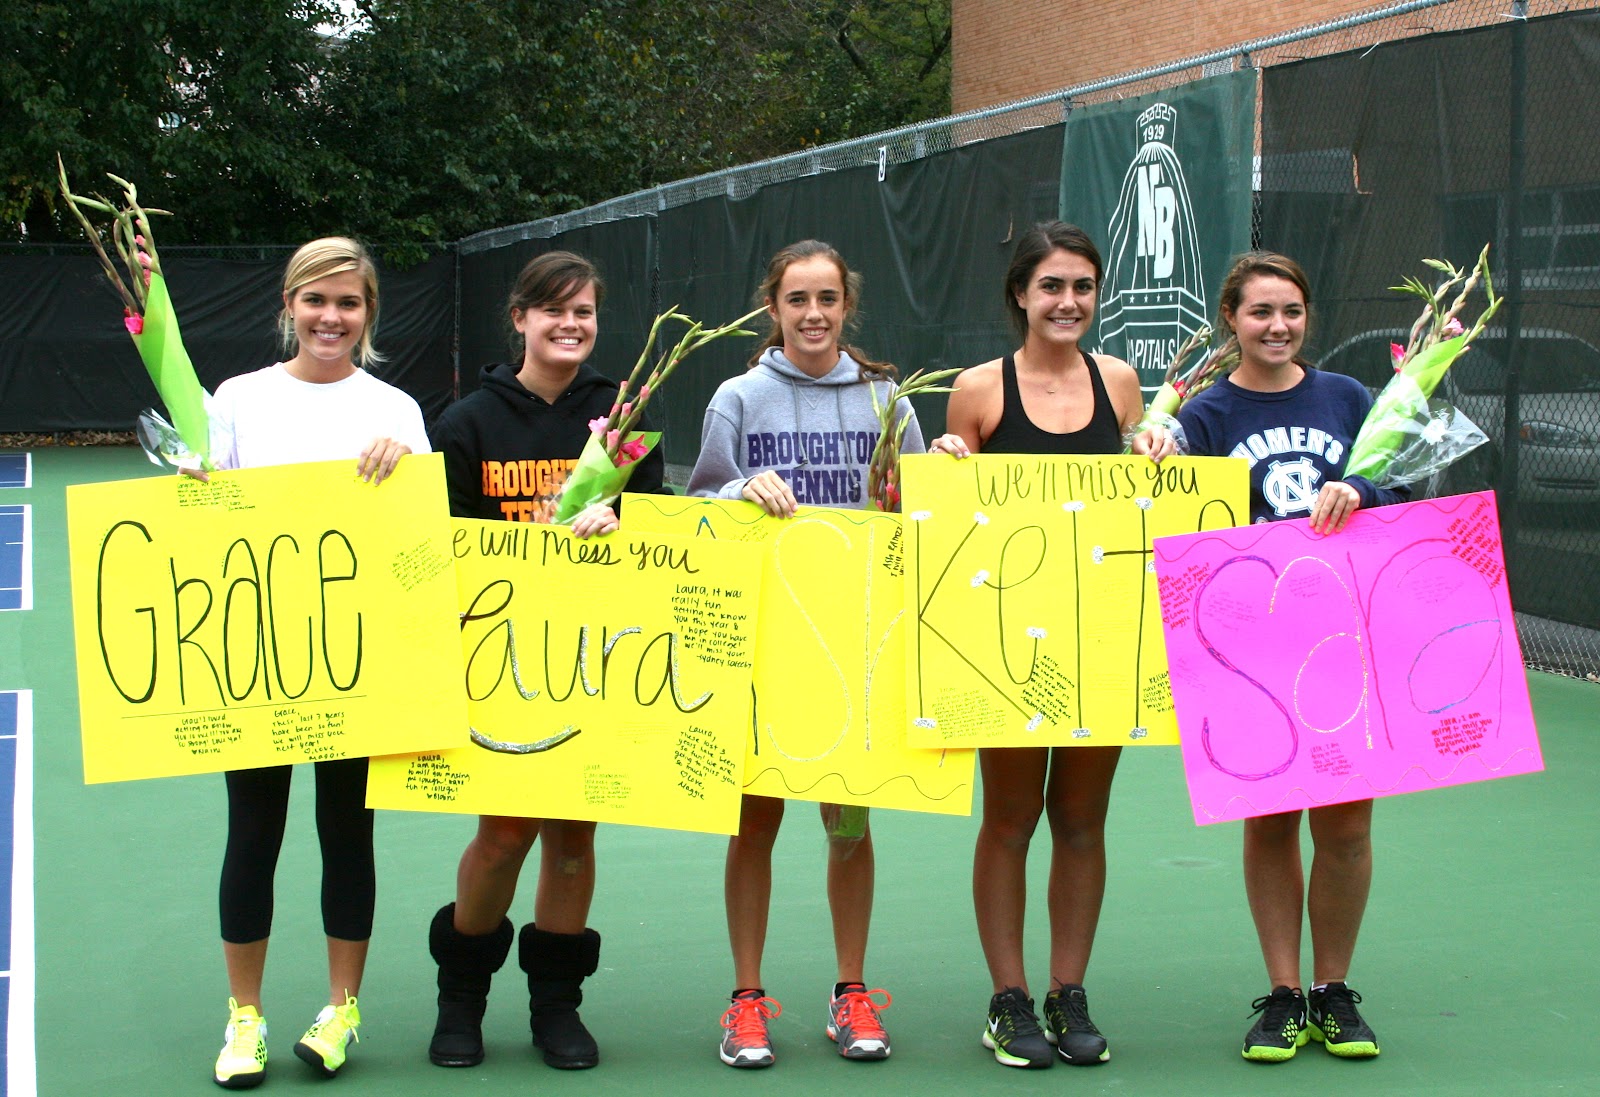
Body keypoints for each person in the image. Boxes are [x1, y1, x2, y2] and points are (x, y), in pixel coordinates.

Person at [927, 221, 1174, 1070]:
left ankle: (1069, 994)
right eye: (1051, 287)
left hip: (1099, 636)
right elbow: (948, 512)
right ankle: (1008, 999)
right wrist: (948, 461)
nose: (1068, 302)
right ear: (1021, 297)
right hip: (1000, 644)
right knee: (1009, 817)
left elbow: (1137, 503)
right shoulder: (978, 390)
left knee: (1080, 817)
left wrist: (1154, 451)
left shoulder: (1121, 382)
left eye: (1082, 286)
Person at [423, 251, 663, 1073]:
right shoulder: (466, 424)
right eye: (554, 310)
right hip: (502, 657)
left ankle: (557, 1006)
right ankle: (461, 998)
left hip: (597, 656)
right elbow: (443, 549)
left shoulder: (623, 417)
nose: (571, 324)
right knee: (502, 836)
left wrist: (623, 529)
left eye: (585, 312)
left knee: (571, 837)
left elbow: (663, 534)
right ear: (519, 318)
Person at [687, 239, 922, 1068]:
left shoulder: (890, 399)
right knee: (755, 822)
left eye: (828, 298)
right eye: (798, 299)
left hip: (855, 646)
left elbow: (916, 514)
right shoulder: (738, 396)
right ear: (773, 308)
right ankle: (746, 999)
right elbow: (699, 511)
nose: (814, 314)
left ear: (846, 304)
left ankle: (850, 990)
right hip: (761, 644)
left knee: (848, 823)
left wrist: (934, 480)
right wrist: (734, 489)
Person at [206, 237, 430, 1088]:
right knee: (252, 832)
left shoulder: (398, 411)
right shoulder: (237, 399)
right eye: (316, 300)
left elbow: (417, 543)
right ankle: (245, 1018)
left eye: (349, 303)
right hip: (255, 654)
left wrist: (407, 472)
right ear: (289, 305)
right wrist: (195, 486)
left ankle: (340, 1011)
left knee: (347, 832)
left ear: (369, 314)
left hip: (358, 658)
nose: (331, 317)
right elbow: (208, 522)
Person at [1176, 251, 1405, 1063]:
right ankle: (1282, 995)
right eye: (1260, 312)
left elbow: (1402, 488)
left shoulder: (1348, 397)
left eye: (1292, 312)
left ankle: (1334, 991)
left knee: (1345, 826)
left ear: (1308, 317)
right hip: (1247, 652)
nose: (1277, 326)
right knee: (1271, 824)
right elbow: (1175, 519)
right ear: (1231, 320)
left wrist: (1366, 491)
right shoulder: (1201, 416)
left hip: (1346, 640)